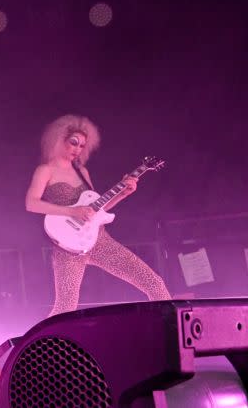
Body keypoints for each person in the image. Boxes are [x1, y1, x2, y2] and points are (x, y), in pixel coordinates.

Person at [25, 115, 170, 316]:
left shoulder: (82, 171)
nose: (77, 149)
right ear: (60, 140)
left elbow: (95, 209)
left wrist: (124, 193)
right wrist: (72, 211)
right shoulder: (45, 170)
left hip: (100, 242)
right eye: (73, 142)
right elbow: (31, 204)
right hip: (67, 250)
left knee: (154, 283)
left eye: (82, 145)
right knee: (65, 308)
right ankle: (44, 347)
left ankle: (171, 335)